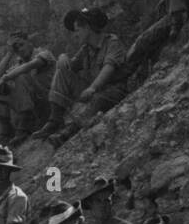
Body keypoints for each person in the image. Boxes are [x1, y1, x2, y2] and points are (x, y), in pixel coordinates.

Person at [31, 8, 127, 146]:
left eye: (77, 30)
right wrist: (62, 57)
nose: (75, 35)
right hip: (94, 90)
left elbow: (109, 68)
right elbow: (69, 67)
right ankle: (54, 120)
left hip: (114, 89)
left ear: (87, 28)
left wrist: (92, 88)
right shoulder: (86, 49)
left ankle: (68, 132)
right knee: (62, 70)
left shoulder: (112, 42)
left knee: (99, 99)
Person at [0, 32, 54, 140]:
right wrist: (9, 54)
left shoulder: (43, 53)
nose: (20, 50)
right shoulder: (19, 64)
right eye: (16, 49)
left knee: (20, 75)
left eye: (22, 45)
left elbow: (30, 66)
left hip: (50, 101)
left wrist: (7, 77)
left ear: (29, 43)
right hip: (33, 108)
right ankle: (6, 131)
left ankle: (23, 127)